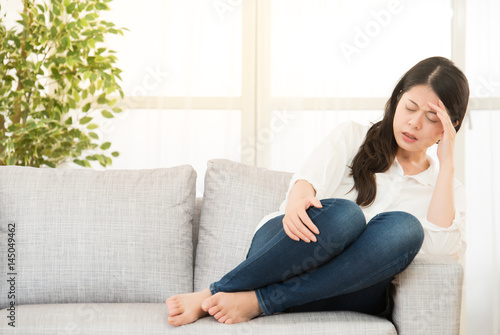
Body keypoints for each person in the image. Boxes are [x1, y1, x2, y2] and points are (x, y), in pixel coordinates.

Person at [165, 56, 470, 326]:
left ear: (449, 127)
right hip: (286, 253)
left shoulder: (447, 187)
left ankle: (258, 301)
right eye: (410, 108)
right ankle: (224, 292)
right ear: (397, 99)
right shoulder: (352, 136)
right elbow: (306, 181)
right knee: (346, 216)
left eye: (431, 118)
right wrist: (299, 200)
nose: (414, 123)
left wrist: (447, 167)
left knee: (406, 228)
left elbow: (440, 253)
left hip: (347, 288)